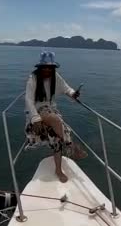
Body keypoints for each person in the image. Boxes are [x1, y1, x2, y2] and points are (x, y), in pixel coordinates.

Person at [24, 51, 87, 183]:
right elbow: (29, 100)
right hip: (36, 109)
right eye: (44, 67)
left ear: (53, 68)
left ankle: (58, 169)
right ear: (40, 68)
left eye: (50, 67)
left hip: (50, 109)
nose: (47, 69)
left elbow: (66, 88)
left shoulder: (55, 76)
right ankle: (72, 147)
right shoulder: (33, 78)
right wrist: (35, 118)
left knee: (57, 138)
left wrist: (73, 94)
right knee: (56, 120)